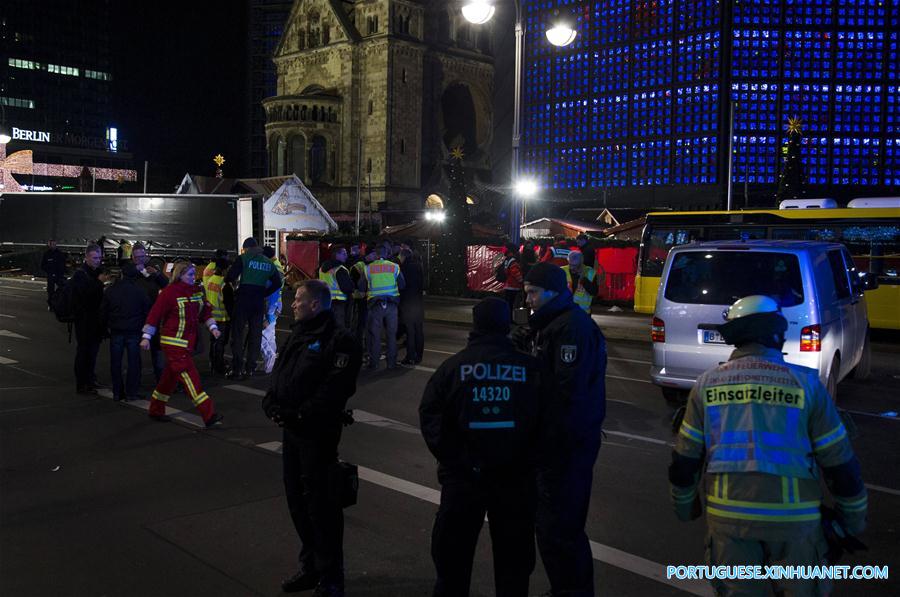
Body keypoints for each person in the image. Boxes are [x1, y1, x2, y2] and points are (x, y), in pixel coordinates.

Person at [669, 295, 867, 597]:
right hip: (796, 524)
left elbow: (684, 461)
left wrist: (684, 507)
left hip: (730, 523)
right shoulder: (806, 385)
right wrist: (850, 522)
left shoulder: (706, 385)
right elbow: (840, 464)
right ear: (777, 333)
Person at [419, 297, 549, 597]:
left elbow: (431, 418)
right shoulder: (530, 369)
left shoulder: (453, 368)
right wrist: (527, 460)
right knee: (514, 564)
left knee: (453, 560)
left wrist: (457, 461)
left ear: (475, 325)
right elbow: (547, 422)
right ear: (507, 325)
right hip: (515, 481)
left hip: (465, 480)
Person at [261, 280, 363, 597]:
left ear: (315, 304)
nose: (293, 304)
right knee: (298, 503)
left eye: (298, 300)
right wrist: (271, 401)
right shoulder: (300, 332)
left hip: (317, 434)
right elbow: (283, 373)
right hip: (293, 432)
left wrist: (301, 414)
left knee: (322, 507)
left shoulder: (340, 340)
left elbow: (335, 389)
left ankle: (331, 577)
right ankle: (311, 567)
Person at [517, 262, 607, 597]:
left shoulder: (571, 329)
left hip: (566, 446)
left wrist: (546, 441)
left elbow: (566, 392)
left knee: (561, 529)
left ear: (553, 292)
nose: (529, 300)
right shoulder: (553, 324)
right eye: (527, 293)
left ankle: (572, 591)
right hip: (560, 443)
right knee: (554, 527)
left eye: (533, 293)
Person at [140, 260, 224, 427]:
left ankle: (156, 409)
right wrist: (146, 337)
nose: (194, 277)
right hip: (173, 344)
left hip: (186, 343)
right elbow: (154, 315)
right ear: (180, 275)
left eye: (194, 274)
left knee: (168, 380)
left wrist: (213, 327)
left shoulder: (197, 291)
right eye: (190, 274)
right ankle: (209, 415)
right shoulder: (169, 293)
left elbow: (205, 312)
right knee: (191, 379)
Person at [225, 237, 283, 379]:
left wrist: (234, 288)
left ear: (247, 248)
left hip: (243, 299)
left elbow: (230, 276)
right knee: (255, 335)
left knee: (238, 334)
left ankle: (237, 368)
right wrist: (264, 293)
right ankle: (250, 369)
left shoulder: (243, 258)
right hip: (258, 301)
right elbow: (278, 282)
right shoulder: (268, 263)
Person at [100, 263, 151, 401]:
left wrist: (105, 328)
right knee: (134, 362)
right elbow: (147, 311)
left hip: (116, 329)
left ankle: (117, 391)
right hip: (134, 330)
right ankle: (131, 392)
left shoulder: (111, 290)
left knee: (116, 362)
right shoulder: (140, 291)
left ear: (122, 274)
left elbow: (104, 311)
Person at [71, 243, 108, 395]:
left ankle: (90, 379)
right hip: (84, 320)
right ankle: (82, 383)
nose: (97, 260)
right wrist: (99, 283)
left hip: (97, 320)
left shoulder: (98, 271)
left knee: (93, 352)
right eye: (94, 258)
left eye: (99, 257)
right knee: (84, 352)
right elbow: (83, 296)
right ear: (86, 257)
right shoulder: (80, 274)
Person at [360, 244, 405, 370]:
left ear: (376, 254)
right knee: (391, 335)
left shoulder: (368, 268)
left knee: (375, 336)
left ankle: (374, 363)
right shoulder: (394, 267)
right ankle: (391, 363)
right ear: (387, 254)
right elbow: (402, 284)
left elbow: (362, 287)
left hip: (375, 305)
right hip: (392, 305)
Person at [132, 242, 168, 381]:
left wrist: (157, 274)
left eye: (143, 256)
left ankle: (161, 379)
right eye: (137, 257)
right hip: (136, 315)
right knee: (134, 348)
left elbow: (166, 283)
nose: (140, 259)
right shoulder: (130, 270)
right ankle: (135, 380)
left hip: (153, 314)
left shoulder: (152, 267)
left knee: (156, 348)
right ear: (132, 257)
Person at [203, 256, 232, 374]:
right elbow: (228, 303)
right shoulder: (224, 283)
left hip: (212, 317)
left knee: (213, 342)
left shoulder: (211, 280)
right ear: (225, 269)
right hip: (222, 317)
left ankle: (213, 362)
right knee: (220, 343)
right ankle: (218, 366)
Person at [398, 248, 425, 365]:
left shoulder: (404, 268)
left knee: (410, 331)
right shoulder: (419, 267)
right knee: (419, 330)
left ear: (404, 257)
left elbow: (402, 285)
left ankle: (410, 357)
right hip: (418, 302)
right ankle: (419, 356)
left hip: (408, 303)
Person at [318, 245, 355, 329]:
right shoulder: (340, 269)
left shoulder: (321, 268)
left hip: (325, 302)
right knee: (338, 328)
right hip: (338, 303)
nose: (346, 255)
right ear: (336, 255)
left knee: (327, 328)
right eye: (344, 253)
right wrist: (352, 286)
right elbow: (347, 288)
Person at [262, 245, 285, 373]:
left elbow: (272, 292)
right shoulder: (275, 265)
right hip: (276, 304)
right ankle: (271, 364)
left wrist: (270, 315)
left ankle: (270, 358)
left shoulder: (271, 268)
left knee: (262, 336)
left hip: (271, 304)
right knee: (270, 335)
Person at [562, 250, 600, 314]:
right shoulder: (562, 271)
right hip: (565, 311)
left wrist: (584, 280)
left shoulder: (590, 272)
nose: (571, 268)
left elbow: (594, 292)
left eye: (574, 266)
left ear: (581, 263)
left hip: (583, 312)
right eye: (570, 264)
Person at [347, 242, 368, 345]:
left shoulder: (349, 261)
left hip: (353, 295)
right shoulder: (360, 263)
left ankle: (354, 341)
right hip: (359, 296)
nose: (352, 251)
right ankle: (358, 343)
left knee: (353, 321)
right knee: (358, 322)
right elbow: (360, 282)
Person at [498, 243, 525, 315]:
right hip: (514, 286)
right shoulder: (513, 261)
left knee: (508, 303)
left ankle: (507, 317)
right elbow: (515, 272)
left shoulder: (507, 260)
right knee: (512, 304)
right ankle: (510, 319)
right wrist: (521, 281)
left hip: (508, 285)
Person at [41, 239, 67, 309]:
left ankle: (61, 303)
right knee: (50, 291)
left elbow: (63, 264)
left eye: (54, 244)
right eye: (52, 244)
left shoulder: (60, 253)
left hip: (59, 275)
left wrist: (62, 273)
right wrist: (49, 271)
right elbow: (43, 265)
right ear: (49, 245)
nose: (53, 245)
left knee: (63, 289)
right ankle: (51, 305)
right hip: (51, 275)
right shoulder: (46, 254)